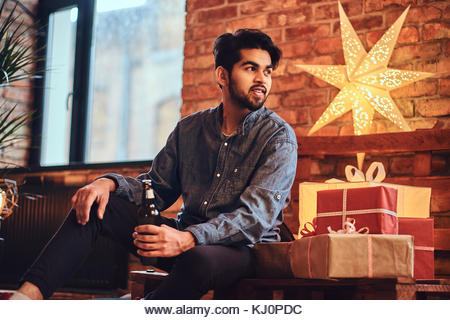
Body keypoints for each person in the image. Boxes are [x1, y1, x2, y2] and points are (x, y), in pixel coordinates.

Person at [13, 29, 298, 300]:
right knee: (98, 204)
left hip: (243, 250)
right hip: (183, 241)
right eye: (251, 68)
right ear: (222, 75)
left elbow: (253, 219)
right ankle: (26, 298)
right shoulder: (190, 129)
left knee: (199, 258)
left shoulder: (278, 137)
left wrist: (188, 238)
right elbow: (156, 189)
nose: (262, 79)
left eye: (268, 70)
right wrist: (106, 183)